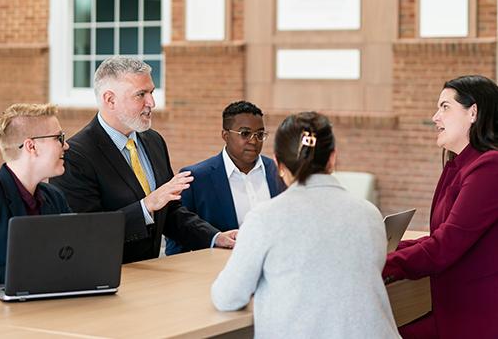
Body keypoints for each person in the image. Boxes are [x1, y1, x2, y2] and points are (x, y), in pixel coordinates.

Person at [211, 111, 399, 339]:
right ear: (332, 159)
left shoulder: (264, 218)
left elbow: (227, 297)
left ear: (279, 164)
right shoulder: (370, 214)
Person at [51, 56, 237, 264]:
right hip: (103, 279)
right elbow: (87, 231)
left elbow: (170, 212)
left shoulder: (154, 141)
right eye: (141, 95)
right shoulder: (75, 156)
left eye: (151, 92)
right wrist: (146, 206)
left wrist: (215, 237)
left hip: (151, 276)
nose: (152, 103)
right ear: (110, 100)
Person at [383, 75, 498, 339]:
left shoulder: (489, 167)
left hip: (476, 319)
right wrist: (385, 249)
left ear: (473, 112)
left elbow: (444, 247)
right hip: (453, 309)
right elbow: (440, 238)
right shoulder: (459, 165)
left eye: (445, 107)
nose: (436, 117)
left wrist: (382, 263)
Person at [166, 101, 286, 255]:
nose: (254, 141)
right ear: (225, 135)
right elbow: (178, 241)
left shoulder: (278, 172)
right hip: (216, 273)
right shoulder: (196, 179)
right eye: (245, 133)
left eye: (260, 134)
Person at [0, 103, 71, 283]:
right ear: (31, 146)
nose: (66, 145)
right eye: (59, 138)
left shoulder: (55, 197)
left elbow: (73, 254)